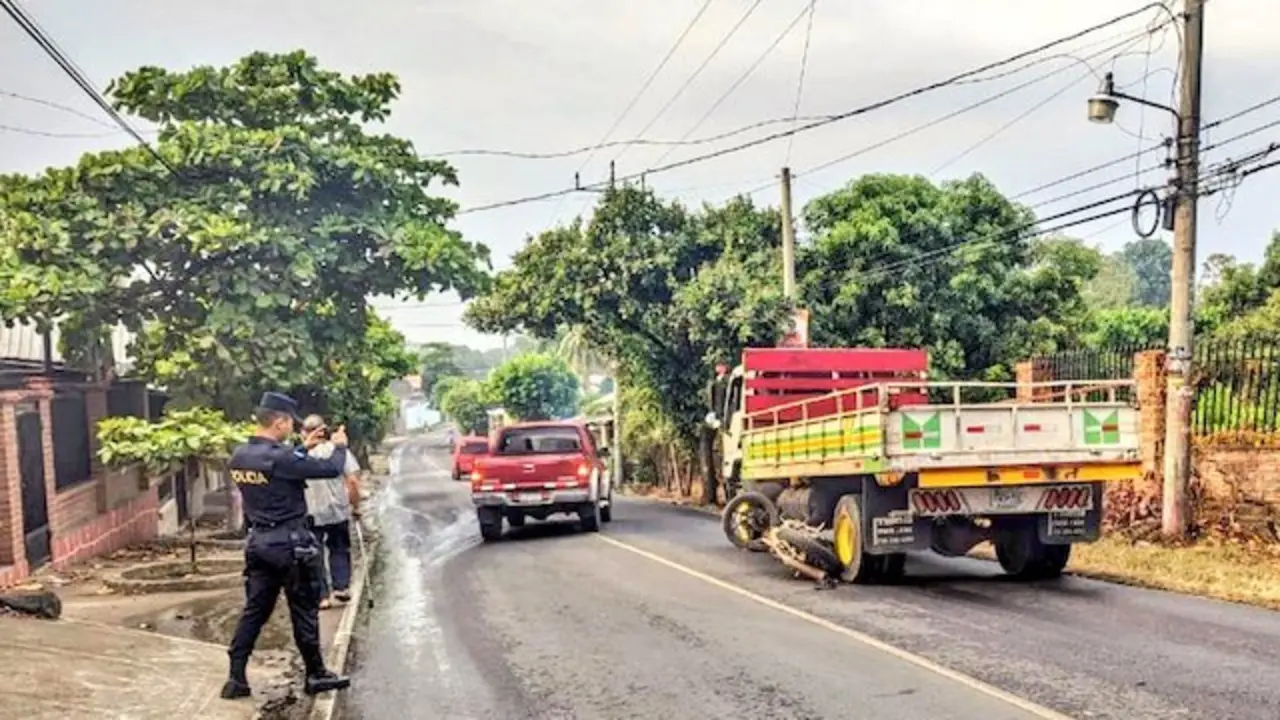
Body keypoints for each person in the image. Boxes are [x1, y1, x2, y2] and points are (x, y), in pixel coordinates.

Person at [221, 392, 351, 700]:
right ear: (278, 421)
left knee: (254, 611)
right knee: (304, 610)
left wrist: (301, 449)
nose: (291, 429)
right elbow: (330, 469)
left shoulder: (240, 455)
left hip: (258, 544)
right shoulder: (282, 458)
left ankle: (236, 678)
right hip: (291, 545)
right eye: (289, 424)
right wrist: (340, 446)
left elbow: (278, 465)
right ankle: (316, 674)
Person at [300, 414, 361, 609]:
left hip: (310, 512)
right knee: (339, 548)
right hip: (337, 510)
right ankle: (341, 587)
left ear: (303, 433)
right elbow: (352, 481)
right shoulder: (338, 452)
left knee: (314, 554)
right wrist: (355, 506)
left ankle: (322, 597)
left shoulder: (301, 455)